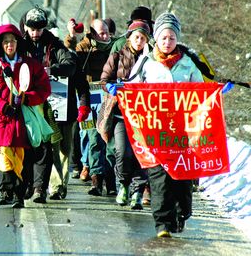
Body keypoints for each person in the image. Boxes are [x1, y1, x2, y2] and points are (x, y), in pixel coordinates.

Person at [128, 12, 204, 237]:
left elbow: (201, 92)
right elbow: (132, 87)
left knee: (181, 177)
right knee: (159, 177)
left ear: (177, 38)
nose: (168, 42)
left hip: (182, 132)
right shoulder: (146, 63)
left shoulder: (189, 63)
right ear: (156, 39)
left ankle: (181, 214)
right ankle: (162, 223)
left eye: (172, 38)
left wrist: (216, 92)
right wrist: (119, 89)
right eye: (163, 38)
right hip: (156, 132)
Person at [0, 24, 51, 208]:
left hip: (22, 119)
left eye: (12, 41)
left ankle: (18, 194)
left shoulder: (30, 65)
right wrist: (2, 106)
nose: (9, 45)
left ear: (18, 43)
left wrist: (27, 98)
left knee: (20, 156)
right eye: (5, 42)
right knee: (4, 154)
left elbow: (44, 89)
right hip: (0, 119)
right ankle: (5, 191)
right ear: (0, 45)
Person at [23, 6, 90, 201]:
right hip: (32, 107)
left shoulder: (55, 46)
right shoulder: (21, 46)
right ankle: (37, 186)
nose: (35, 33)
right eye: (32, 29)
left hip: (61, 108)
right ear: (26, 27)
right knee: (38, 147)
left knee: (62, 149)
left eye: (39, 29)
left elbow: (71, 67)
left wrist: (49, 70)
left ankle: (58, 186)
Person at [101, 20, 152, 209]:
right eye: (136, 37)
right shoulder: (117, 56)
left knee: (141, 154)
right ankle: (123, 184)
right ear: (129, 37)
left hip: (144, 116)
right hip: (121, 114)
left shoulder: (152, 60)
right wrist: (111, 87)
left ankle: (137, 192)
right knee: (122, 152)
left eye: (143, 38)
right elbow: (104, 78)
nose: (139, 41)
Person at [65, 18, 116, 196]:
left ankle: (108, 180)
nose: (105, 36)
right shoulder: (84, 47)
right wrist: (72, 36)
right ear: (93, 34)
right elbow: (69, 53)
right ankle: (92, 171)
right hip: (88, 98)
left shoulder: (114, 46)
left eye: (107, 32)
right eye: (101, 33)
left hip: (109, 98)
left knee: (107, 139)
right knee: (88, 134)